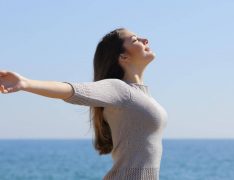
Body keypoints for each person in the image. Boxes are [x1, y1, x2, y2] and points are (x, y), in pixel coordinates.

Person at [0, 27, 168, 180]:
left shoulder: (142, 95)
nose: (145, 40)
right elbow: (72, 90)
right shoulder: (120, 89)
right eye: (135, 39)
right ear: (123, 56)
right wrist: (25, 83)